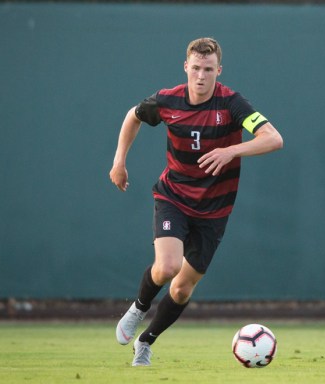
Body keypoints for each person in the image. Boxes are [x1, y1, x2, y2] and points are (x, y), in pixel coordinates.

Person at [109, 37, 283, 367]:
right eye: (196, 69)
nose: (201, 76)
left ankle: (146, 341)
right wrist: (119, 162)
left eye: (208, 69)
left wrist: (231, 150)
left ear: (218, 70)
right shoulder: (167, 100)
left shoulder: (231, 104)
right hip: (174, 195)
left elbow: (273, 138)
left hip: (215, 209)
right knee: (168, 267)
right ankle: (139, 308)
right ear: (185, 67)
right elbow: (133, 116)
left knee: (182, 289)